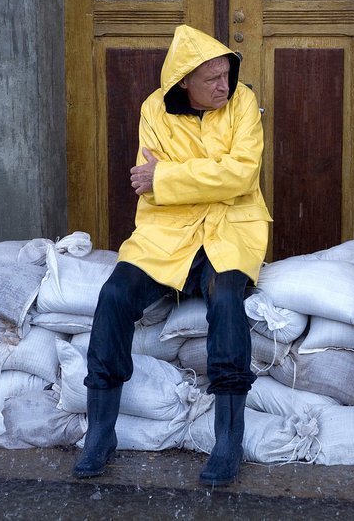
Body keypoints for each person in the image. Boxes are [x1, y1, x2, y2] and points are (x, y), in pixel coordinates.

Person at [72, 25, 271, 486]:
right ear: (185, 81)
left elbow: (241, 175)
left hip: (229, 229)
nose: (225, 85)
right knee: (115, 295)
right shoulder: (154, 109)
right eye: (213, 79)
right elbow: (148, 179)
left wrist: (167, 177)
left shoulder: (242, 103)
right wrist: (175, 179)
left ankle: (227, 442)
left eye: (227, 74)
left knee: (226, 301)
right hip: (167, 233)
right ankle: (101, 432)